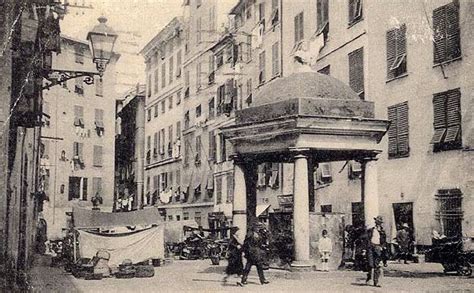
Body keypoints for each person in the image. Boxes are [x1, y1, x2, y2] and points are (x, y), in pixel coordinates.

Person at [365, 216, 386, 287]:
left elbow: (384, 241)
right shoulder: (371, 230)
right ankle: (369, 278)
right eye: (377, 222)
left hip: (378, 247)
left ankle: (376, 282)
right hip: (370, 247)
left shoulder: (382, 232)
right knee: (370, 264)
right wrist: (366, 248)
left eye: (379, 222)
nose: (378, 224)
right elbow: (367, 239)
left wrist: (381, 247)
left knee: (377, 265)